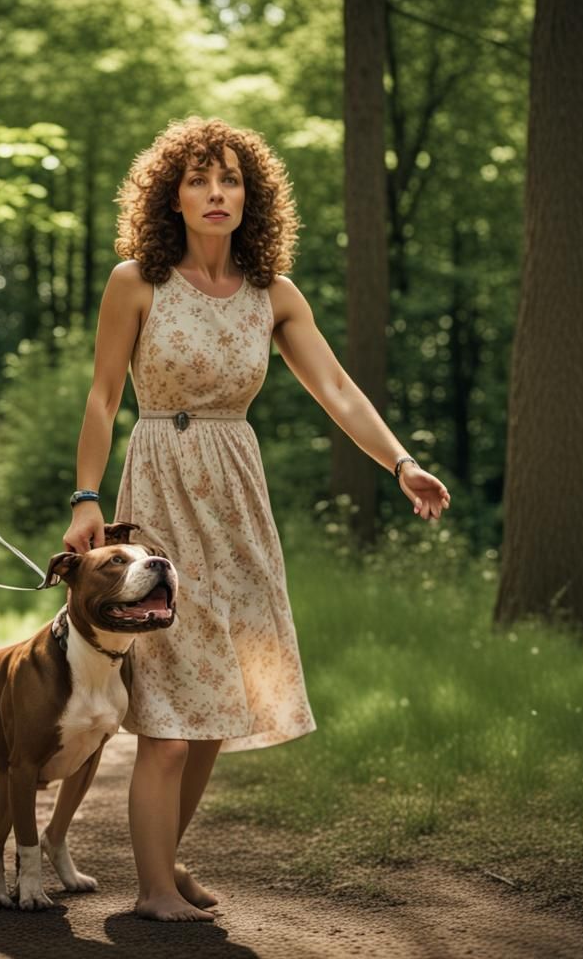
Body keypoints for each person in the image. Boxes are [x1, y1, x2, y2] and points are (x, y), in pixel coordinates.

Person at [63, 116, 451, 922]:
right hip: (161, 489)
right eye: (200, 179)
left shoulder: (273, 295)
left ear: (252, 196)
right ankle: (152, 891)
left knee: (214, 710)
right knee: (168, 715)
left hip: (238, 501)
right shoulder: (137, 280)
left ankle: (164, 865)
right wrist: (87, 496)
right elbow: (104, 395)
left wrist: (402, 463)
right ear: (172, 194)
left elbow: (338, 390)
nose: (216, 193)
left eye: (231, 179)